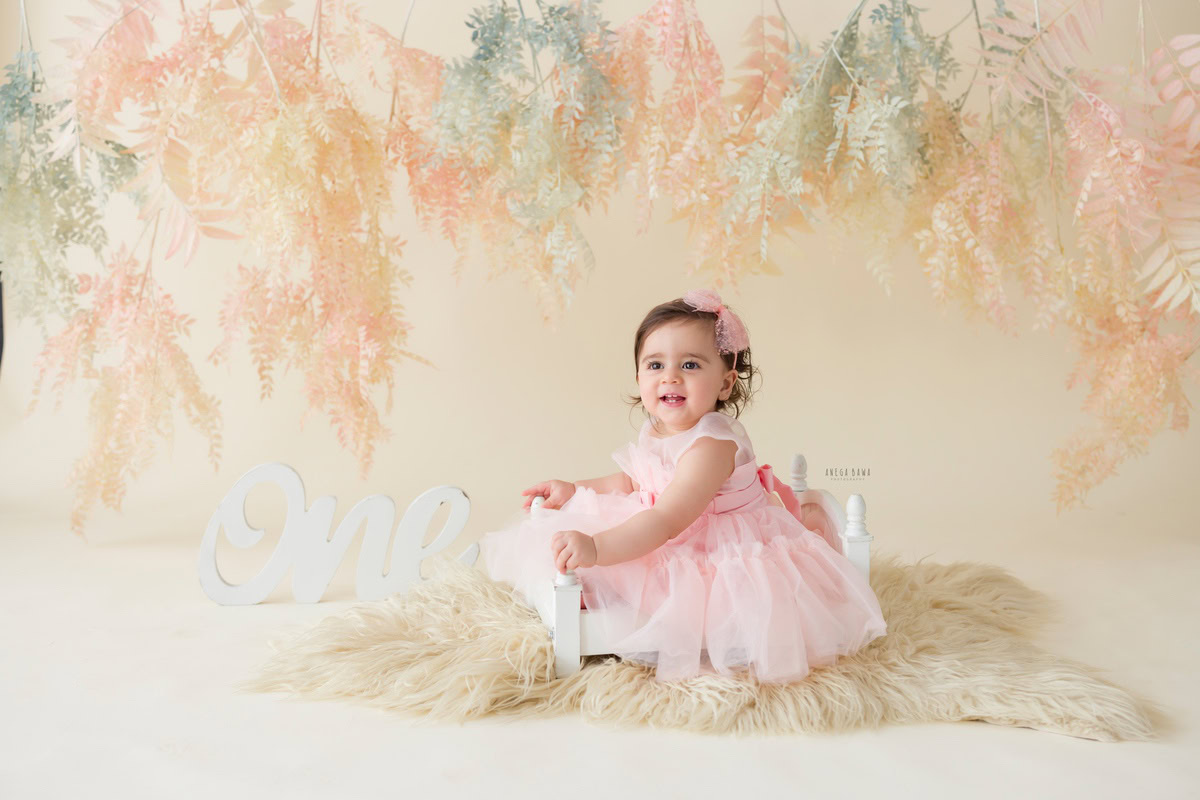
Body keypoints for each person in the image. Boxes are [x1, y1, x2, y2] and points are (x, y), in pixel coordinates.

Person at [478, 289, 887, 683]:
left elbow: (665, 521)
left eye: (690, 365)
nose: (670, 377)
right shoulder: (659, 429)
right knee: (581, 536)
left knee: (656, 578)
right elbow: (633, 480)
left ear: (725, 384)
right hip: (664, 523)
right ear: (638, 377)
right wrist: (574, 488)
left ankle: (601, 600)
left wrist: (598, 549)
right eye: (655, 365)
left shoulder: (712, 446)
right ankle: (597, 591)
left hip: (710, 542)